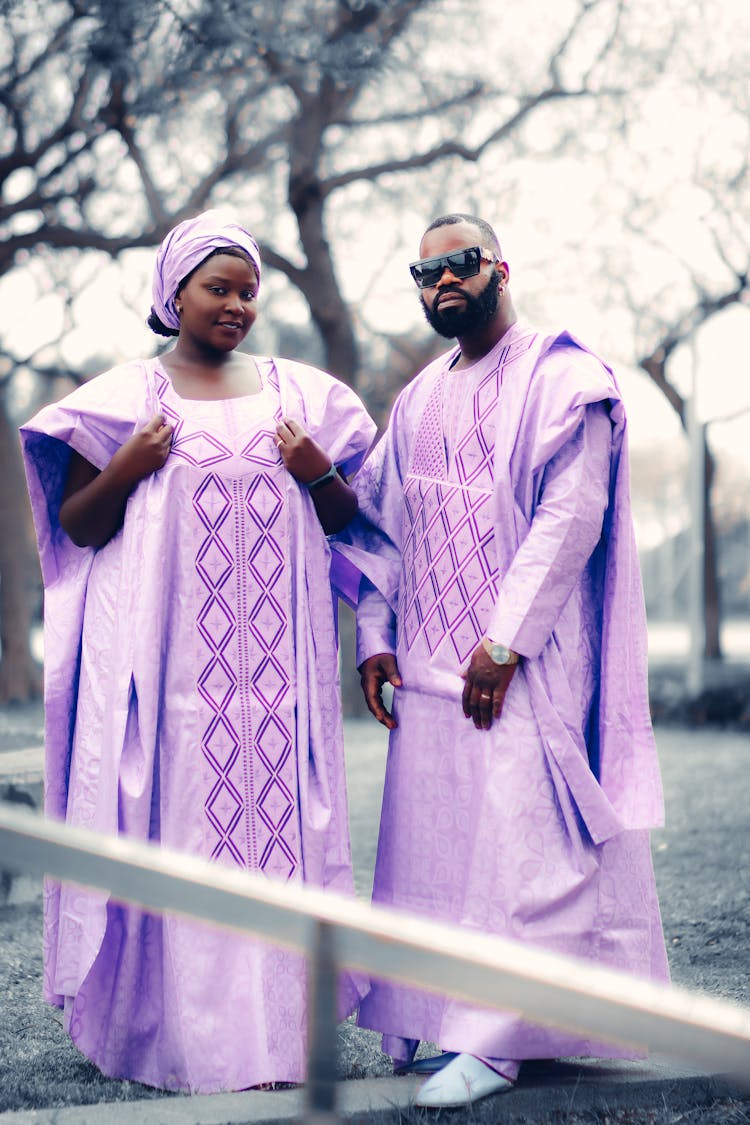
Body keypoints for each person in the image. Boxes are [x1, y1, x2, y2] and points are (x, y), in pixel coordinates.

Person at [20, 210, 375, 1093]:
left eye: (249, 290)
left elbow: (348, 523)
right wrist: (130, 463)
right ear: (172, 294)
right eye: (219, 288)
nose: (237, 304)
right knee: (186, 837)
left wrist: (316, 469)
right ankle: (188, 1042)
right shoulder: (125, 400)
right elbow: (76, 527)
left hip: (281, 681)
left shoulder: (303, 396)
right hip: (175, 682)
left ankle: (280, 1042)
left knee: (280, 841)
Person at [336, 213, 669, 1107]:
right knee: (439, 850)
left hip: (526, 662)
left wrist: (504, 641)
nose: (444, 279)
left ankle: (499, 1038)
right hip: (431, 666)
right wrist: (375, 637)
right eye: (426, 270)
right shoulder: (413, 400)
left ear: (499, 268)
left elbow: (572, 515)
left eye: (461, 263)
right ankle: (446, 1019)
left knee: (529, 848)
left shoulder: (564, 377)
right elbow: (384, 533)